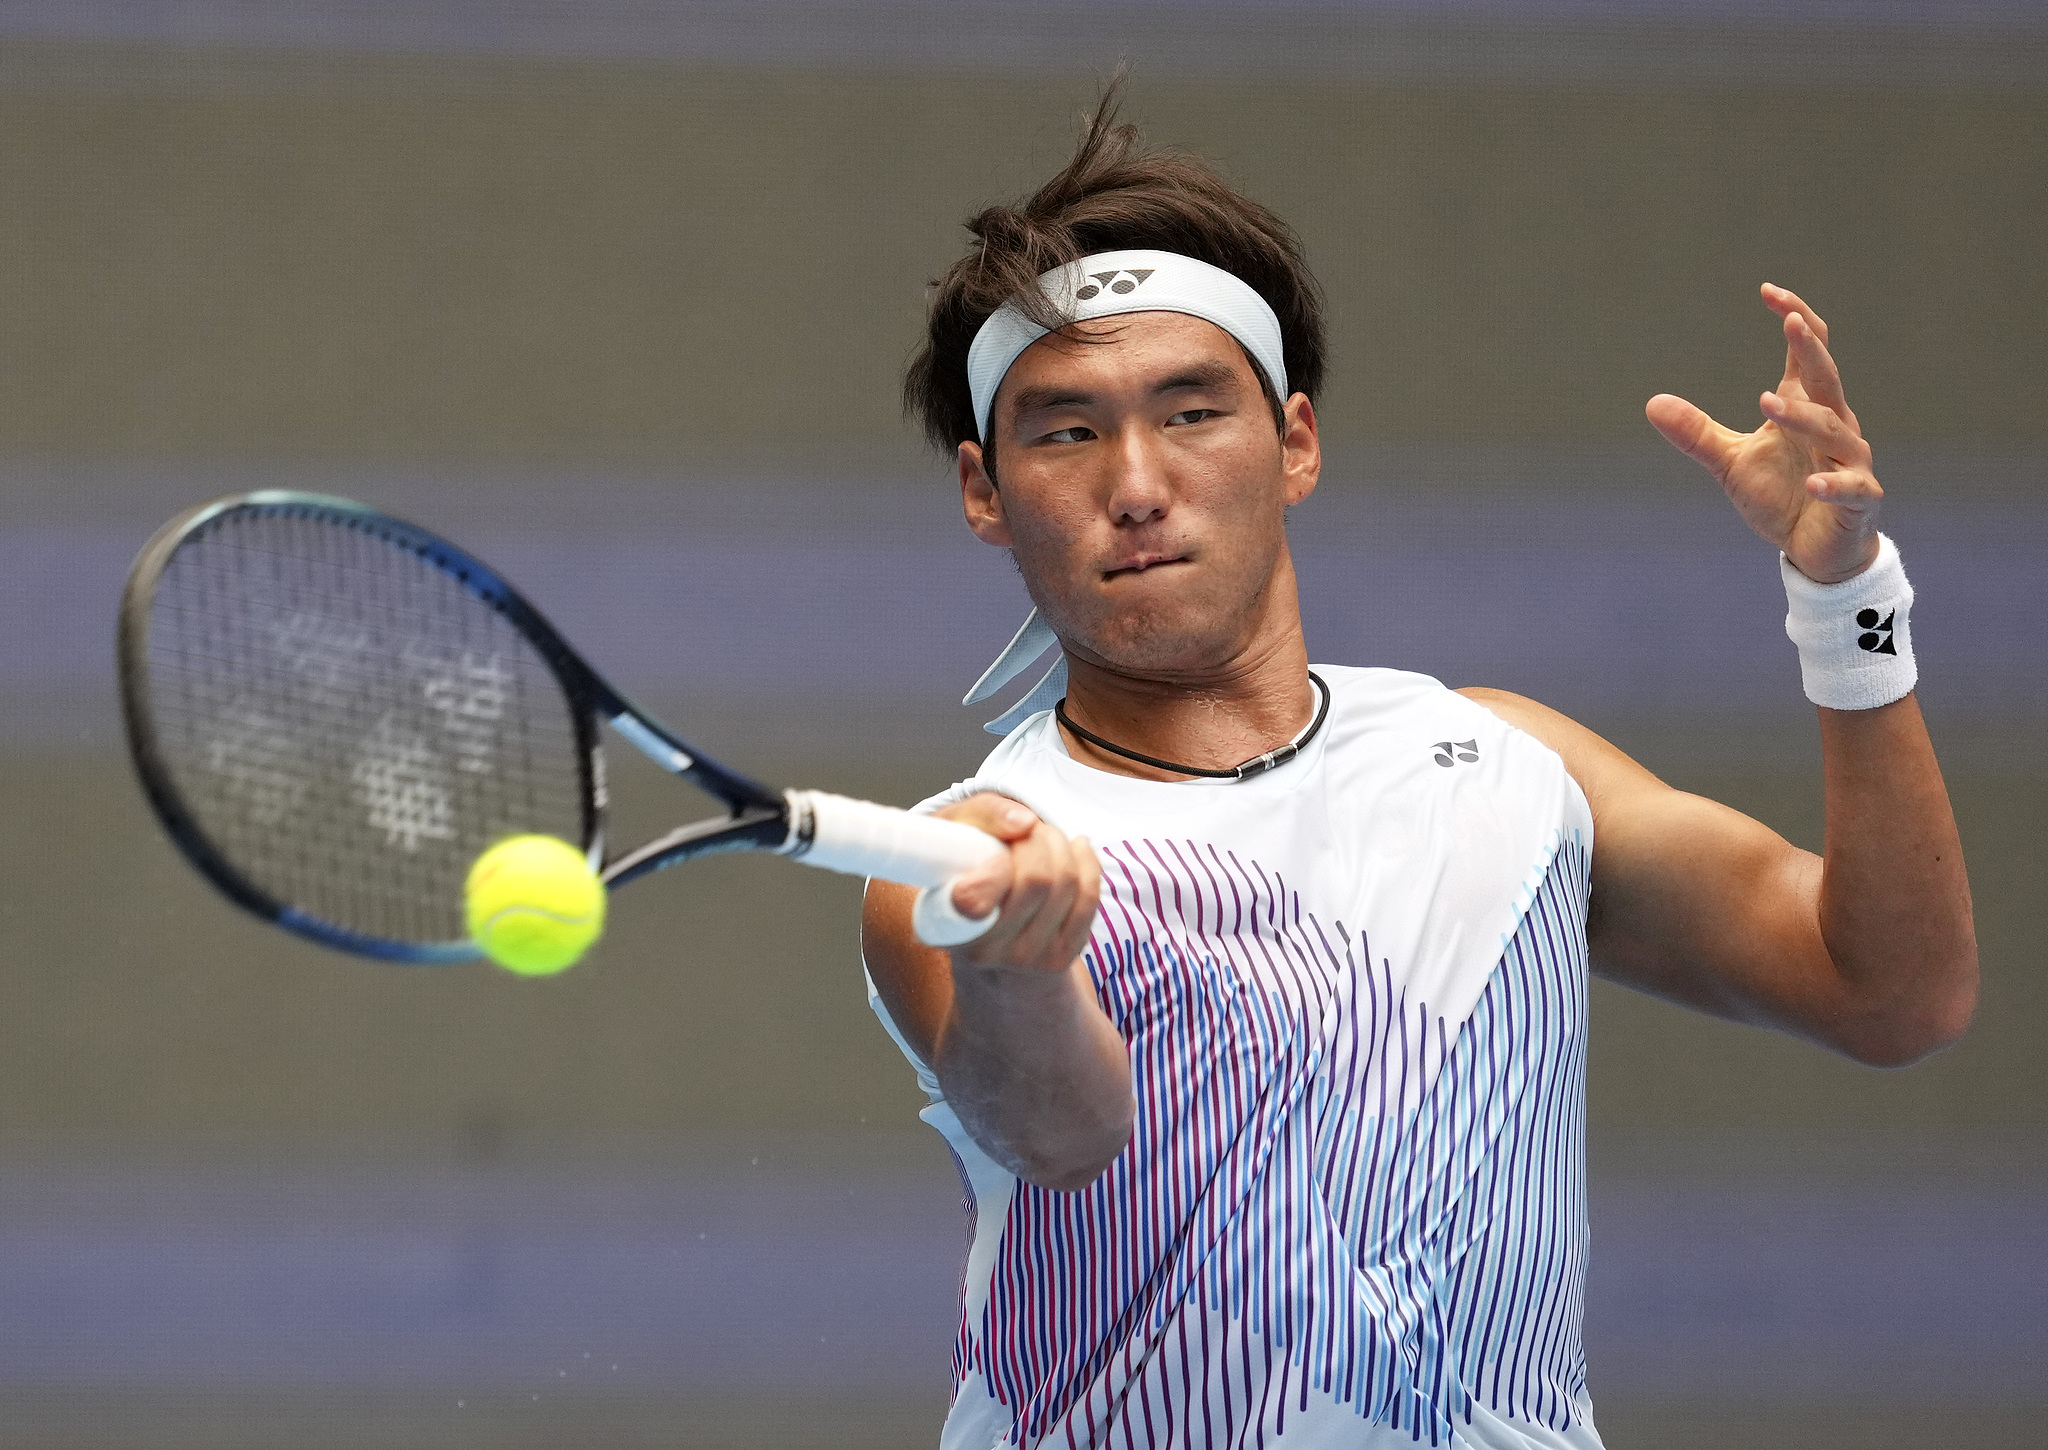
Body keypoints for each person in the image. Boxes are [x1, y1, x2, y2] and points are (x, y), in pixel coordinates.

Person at [860, 99, 1976, 1450]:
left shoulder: (1513, 766)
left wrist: (1844, 596)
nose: (1138, 482)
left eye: (1193, 409)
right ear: (987, 491)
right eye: (1065, 433)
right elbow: (1066, 1137)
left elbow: (1894, 992)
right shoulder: (960, 860)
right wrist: (1017, 964)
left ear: (1298, 443)